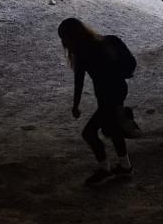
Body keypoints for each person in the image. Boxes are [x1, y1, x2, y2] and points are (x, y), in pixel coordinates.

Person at [57, 17, 136, 186]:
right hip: (118, 89)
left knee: (89, 133)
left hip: (107, 95)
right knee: (113, 128)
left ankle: (105, 169)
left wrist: (76, 104)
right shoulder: (108, 41)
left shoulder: (82, 53)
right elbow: (131, 63)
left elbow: (79, 80)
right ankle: (125, 166)